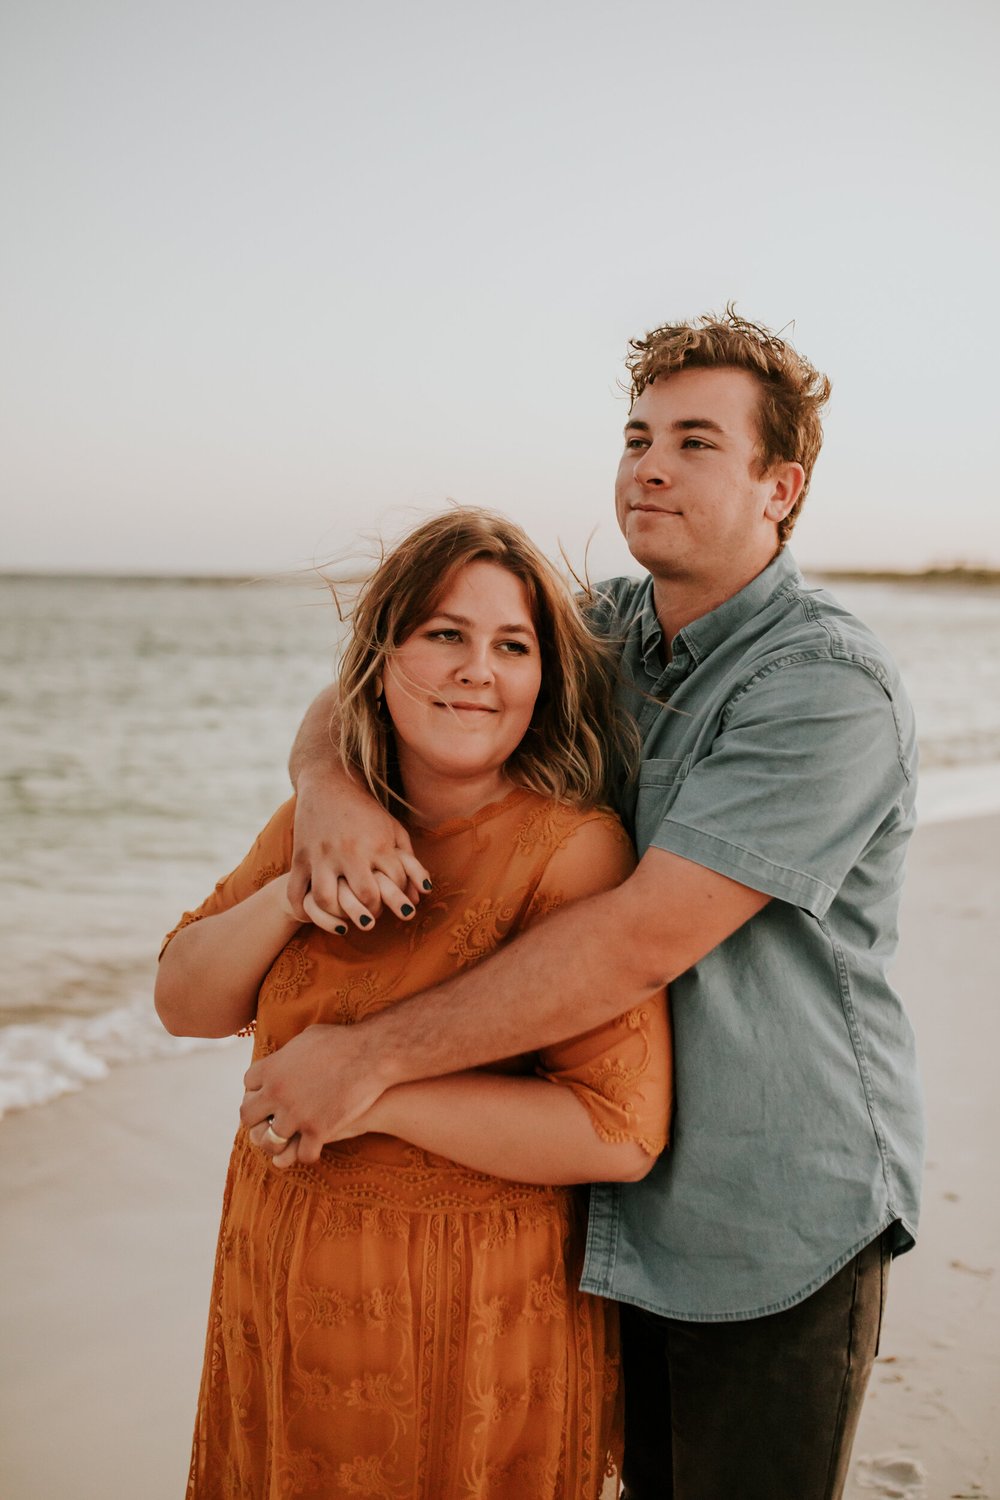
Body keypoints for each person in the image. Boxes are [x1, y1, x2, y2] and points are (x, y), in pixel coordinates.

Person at [243, 309, 925, 1499]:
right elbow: (382, 674)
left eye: (697, 442)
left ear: (781, 486)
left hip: (769, 1210)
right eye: (637, 433)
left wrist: (367, 1061)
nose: (648, 463)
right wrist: (328, 786)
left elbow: (633, 941)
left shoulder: (825, 687)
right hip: (596, 1207)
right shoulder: (600, 630)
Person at [155, 509, 671, 1499]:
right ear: (383, 654)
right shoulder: (321, 815)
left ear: (542, 680)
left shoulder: (570, 850)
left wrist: (369, 1092)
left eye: (510, 645)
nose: (478, 668)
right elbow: (182, 1000)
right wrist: (291, 890)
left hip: (466, 1323)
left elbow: (617, 1132)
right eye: (445, 634)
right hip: (279, 1296)